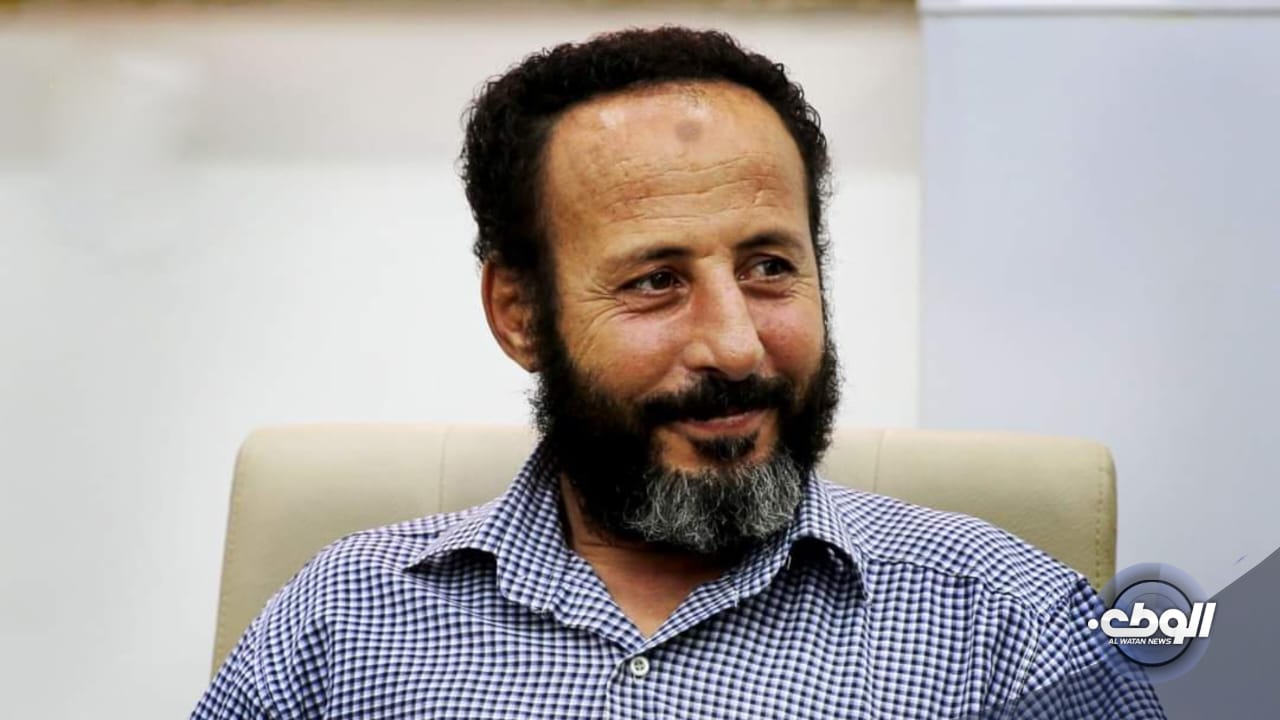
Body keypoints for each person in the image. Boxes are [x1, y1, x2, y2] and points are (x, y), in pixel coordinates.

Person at [193, 26, 1166, 719]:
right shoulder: (342, 622)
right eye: (655, 283)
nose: (735, 347)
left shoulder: (1015, 631)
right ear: (519, 315)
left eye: (769, 267)